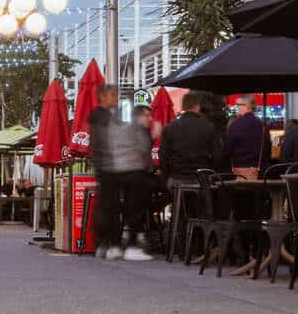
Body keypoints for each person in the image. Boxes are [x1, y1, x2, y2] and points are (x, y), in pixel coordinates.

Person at [89, 84, 154, 261]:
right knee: (113, 206)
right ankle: (112, 244)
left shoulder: (106, 118)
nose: (116, 98)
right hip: (110, 168)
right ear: (102, 97)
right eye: (112, 95)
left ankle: (111, 245)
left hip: (109, 168)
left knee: (111, 207)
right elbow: (110, 142)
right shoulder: (101, 118)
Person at [157, 91, 223, 181]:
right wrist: (211, 168)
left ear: (183, 106)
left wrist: (167, 172)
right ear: (197, 106)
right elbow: (217, 154)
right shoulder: (208, 127)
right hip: (202, 177)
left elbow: (163, 155)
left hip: (177, 176)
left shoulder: (170, 127)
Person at [222, 96, 273, 178]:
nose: (236, 107)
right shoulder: (263, 126)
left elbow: (227, 150)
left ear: (245, 105)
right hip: (259, 173)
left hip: (238, 173)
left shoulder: (235, 125)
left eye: (237, 104)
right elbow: (267, 151)